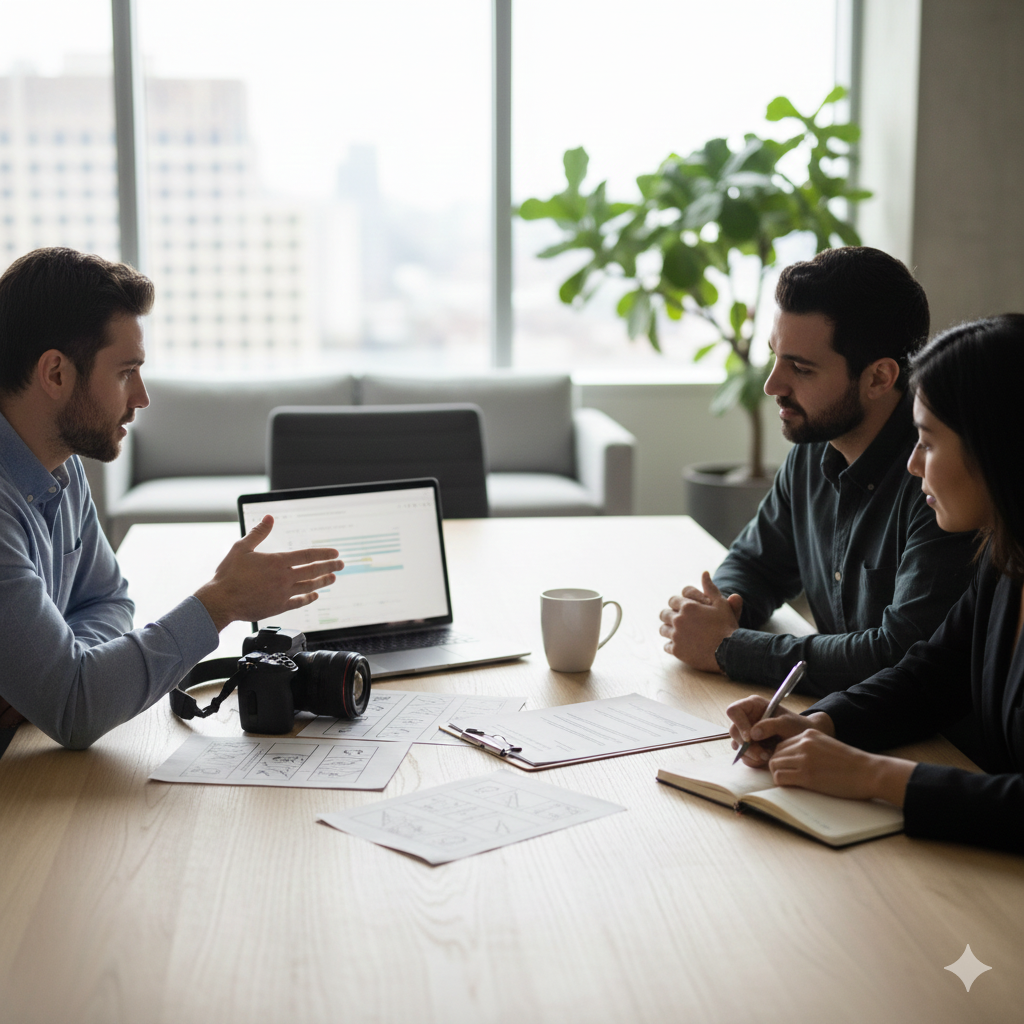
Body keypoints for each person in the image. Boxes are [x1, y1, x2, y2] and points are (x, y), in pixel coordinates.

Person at [0, 248, 344, 750]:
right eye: (125, 372)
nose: (141, 397)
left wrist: (54, 673)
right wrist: (221, 601)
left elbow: (107, 599)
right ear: (55, 374)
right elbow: (75, 708)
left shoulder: (61, 465)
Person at [726, 314, 1024, 853]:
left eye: (928, 444)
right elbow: (929, 675)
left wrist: (874, 777)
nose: (913, 465)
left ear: (999, 450)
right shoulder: (1005, 559)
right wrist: (818, 723)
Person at [659, 246, 978, 696]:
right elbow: (757, 564)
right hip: (842, 722)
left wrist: (729, 647)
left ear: (878, 378)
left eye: (801, 368)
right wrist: (720, 609)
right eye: (775, 356)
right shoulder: (814, 448)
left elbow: (899, 653)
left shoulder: (938, 479)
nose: (772, 385)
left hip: (927, 741)